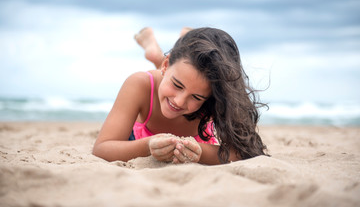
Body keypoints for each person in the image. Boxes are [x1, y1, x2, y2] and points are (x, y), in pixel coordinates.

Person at [92, 27, 268, 165]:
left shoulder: (215, 99)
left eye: (197, 97)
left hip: (177, 74)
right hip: (157, 87)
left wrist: (200, 152)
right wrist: (146, 146)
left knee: (183, 76)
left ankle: (178, 45)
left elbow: (245, 152)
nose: (179, 101)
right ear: (166, 64)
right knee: (175, 76)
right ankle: (157, 53)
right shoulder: (140, 84)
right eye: (177, 85)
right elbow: (102, 148)